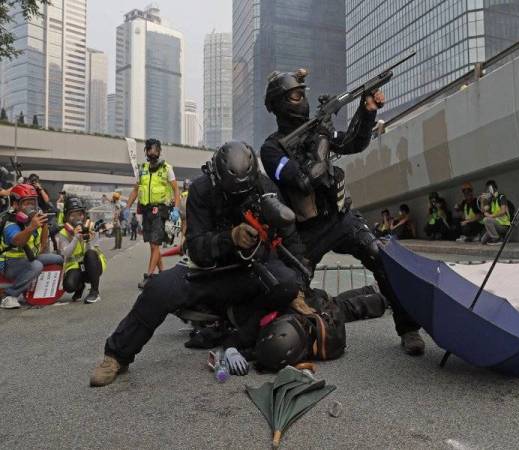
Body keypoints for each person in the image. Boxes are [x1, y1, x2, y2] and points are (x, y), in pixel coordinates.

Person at [89, 141, 310, 387]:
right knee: (159, 289)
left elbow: (290, 239)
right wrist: (231, 238)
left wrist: (299, 287)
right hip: (209, 270)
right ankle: (116, 355)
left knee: (288, 284)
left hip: (252, 268)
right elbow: (196, 247)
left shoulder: (265, 187)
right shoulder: (201, 190)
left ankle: (236, 332)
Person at [260, 68, 425, 355]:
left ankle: (408, 328)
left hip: (342, 218)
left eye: (302, 94)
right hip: (307, 233)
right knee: (292, 291)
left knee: (382, 259)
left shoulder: (316, 130)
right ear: (279, 103)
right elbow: (303, 179)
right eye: (296, 95)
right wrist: (323, 136)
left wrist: (367, 112)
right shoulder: (272, 149)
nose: (302, 100)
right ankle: (314, 326)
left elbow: (353, 143)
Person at [124, 139, 180, 288]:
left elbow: (176, 190)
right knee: (152, 246)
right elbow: (136, 190)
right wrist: (127, 207)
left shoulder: (167, 168)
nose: (153, 152)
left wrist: (176, 208)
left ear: (160, 151)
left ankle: (149, 276)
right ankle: (163, 275)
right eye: (150, 149)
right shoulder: (142, 169)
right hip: (147, 211)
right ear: (146, 152)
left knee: (155, 244)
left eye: (156, 149)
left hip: (161, 211)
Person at [0, 184, 63, 309]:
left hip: (27, 257)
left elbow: (43, 246)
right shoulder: (10, 221)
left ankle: (37, 288)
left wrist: (44, 225)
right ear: (15, 204)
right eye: (26, 203)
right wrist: (31, 227)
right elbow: (18, 241)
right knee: (36, 266)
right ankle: (8, 296)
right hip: (8, 263)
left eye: (33, 203)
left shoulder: (31, 220)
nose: (30, 207)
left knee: (58, 259)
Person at [57, 196, 106, 304]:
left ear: (84, 215)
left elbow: (92, 252)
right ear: (67, 216)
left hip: (93, 264)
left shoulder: (92, 227)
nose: (77, 218)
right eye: (72, 215)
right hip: (75, 266)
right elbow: (66, 253)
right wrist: (75, 237)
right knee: (69, 286)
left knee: (90, 254)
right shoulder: (63, 233)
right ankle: (80, 286)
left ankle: (94, 291)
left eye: (79, 214)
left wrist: (87, 240)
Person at [481, 180, 511, 245]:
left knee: (486, 220)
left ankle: (497, 239)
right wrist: (482, 201)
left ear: (493, 188)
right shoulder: (491, 200)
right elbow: (483, 210)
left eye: (489, 189)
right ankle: (500, 237)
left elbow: (503, 211)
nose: (487, 191)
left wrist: (491, 216)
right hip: (495, 224)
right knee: (483, 241)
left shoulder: (501, 197)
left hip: (503, 225)